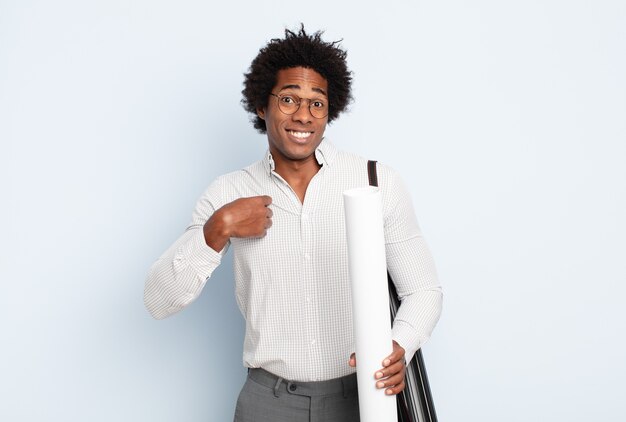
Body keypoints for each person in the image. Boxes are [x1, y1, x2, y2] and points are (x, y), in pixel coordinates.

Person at [144, 25, 442, 422]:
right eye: (288, 99)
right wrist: (218, 228)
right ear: (261, 107)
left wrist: (398, 344)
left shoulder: (375, 181)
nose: (303, 115)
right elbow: (158, 300)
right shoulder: (228, 191)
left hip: (364, 398)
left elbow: (423, 290)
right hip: (268, 403)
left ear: (329, 111)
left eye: (316, 103)